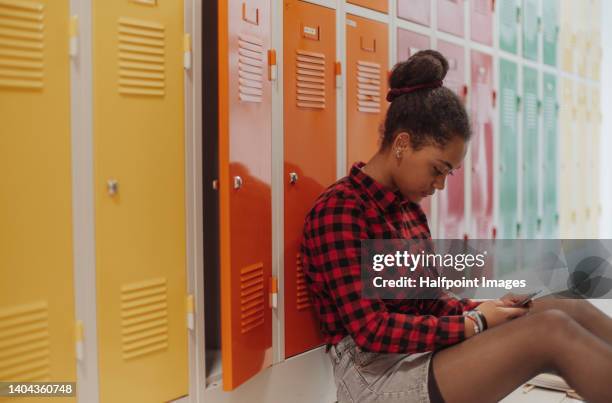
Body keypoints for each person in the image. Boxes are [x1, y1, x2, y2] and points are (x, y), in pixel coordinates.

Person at [300, 50, 612, 403]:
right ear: (402, 143)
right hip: (374, 377)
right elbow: (372, 330)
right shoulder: (341, 211)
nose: (440, 185)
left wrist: (485, 309)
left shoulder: (409, 211)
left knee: (564, 307)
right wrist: (475, 323)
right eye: (437, 169)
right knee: (550, 331)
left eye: (449, 173)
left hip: (423, 356)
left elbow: (431, 304)